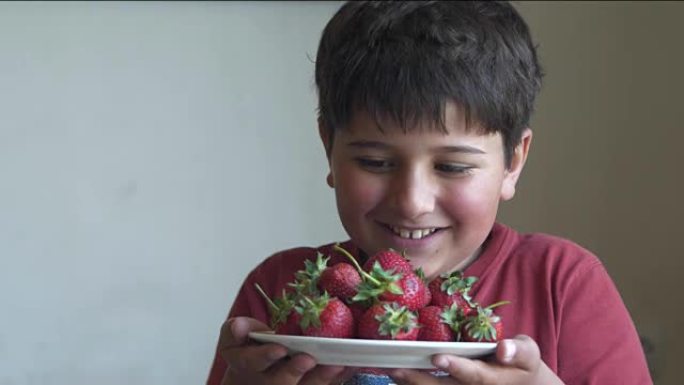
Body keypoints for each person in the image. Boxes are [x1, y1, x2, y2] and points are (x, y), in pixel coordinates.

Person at [206, 1, 653, 384]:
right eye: (375, 163)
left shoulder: (563, 283)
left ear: (513, 162)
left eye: (452, 166)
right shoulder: (281, 291)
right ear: (329, 149)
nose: (412, 201)